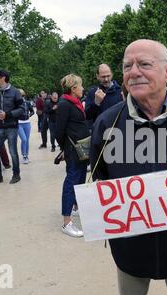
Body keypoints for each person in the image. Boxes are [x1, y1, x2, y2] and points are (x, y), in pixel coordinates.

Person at [90, 39, 167, 295]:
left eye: (144, 64)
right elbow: (100, 178)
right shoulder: (106, 123)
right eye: (127, 66)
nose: (133, 72)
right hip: (129, 248)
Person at [55, 75, 93, 237]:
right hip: (73, 149)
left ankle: (75, 208)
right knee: (71, 181)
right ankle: (66, 222)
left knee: (79, 180)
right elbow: (59, 130)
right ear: (73, 88)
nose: (83, 88)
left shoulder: (73, 103)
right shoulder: (65, 104)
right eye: (80, 86)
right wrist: (65, 149)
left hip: (81, 147)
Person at [0, 70, 25, 184]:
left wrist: (8, 114)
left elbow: (22, 109)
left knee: (13, 152)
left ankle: (16, 175)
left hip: (11, 127)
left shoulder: (15, 92)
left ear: (3, 78)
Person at [18, 89, 35, 164]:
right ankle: (24, 155)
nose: (21, 97)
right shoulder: (16, 104)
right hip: (19, 124)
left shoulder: (27, 103)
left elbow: (32, 111)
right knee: (24, 139)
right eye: (19, 96)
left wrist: (29, 115)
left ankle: (26, 155)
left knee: (27, 140)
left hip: (27, 123)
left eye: (22, 96)